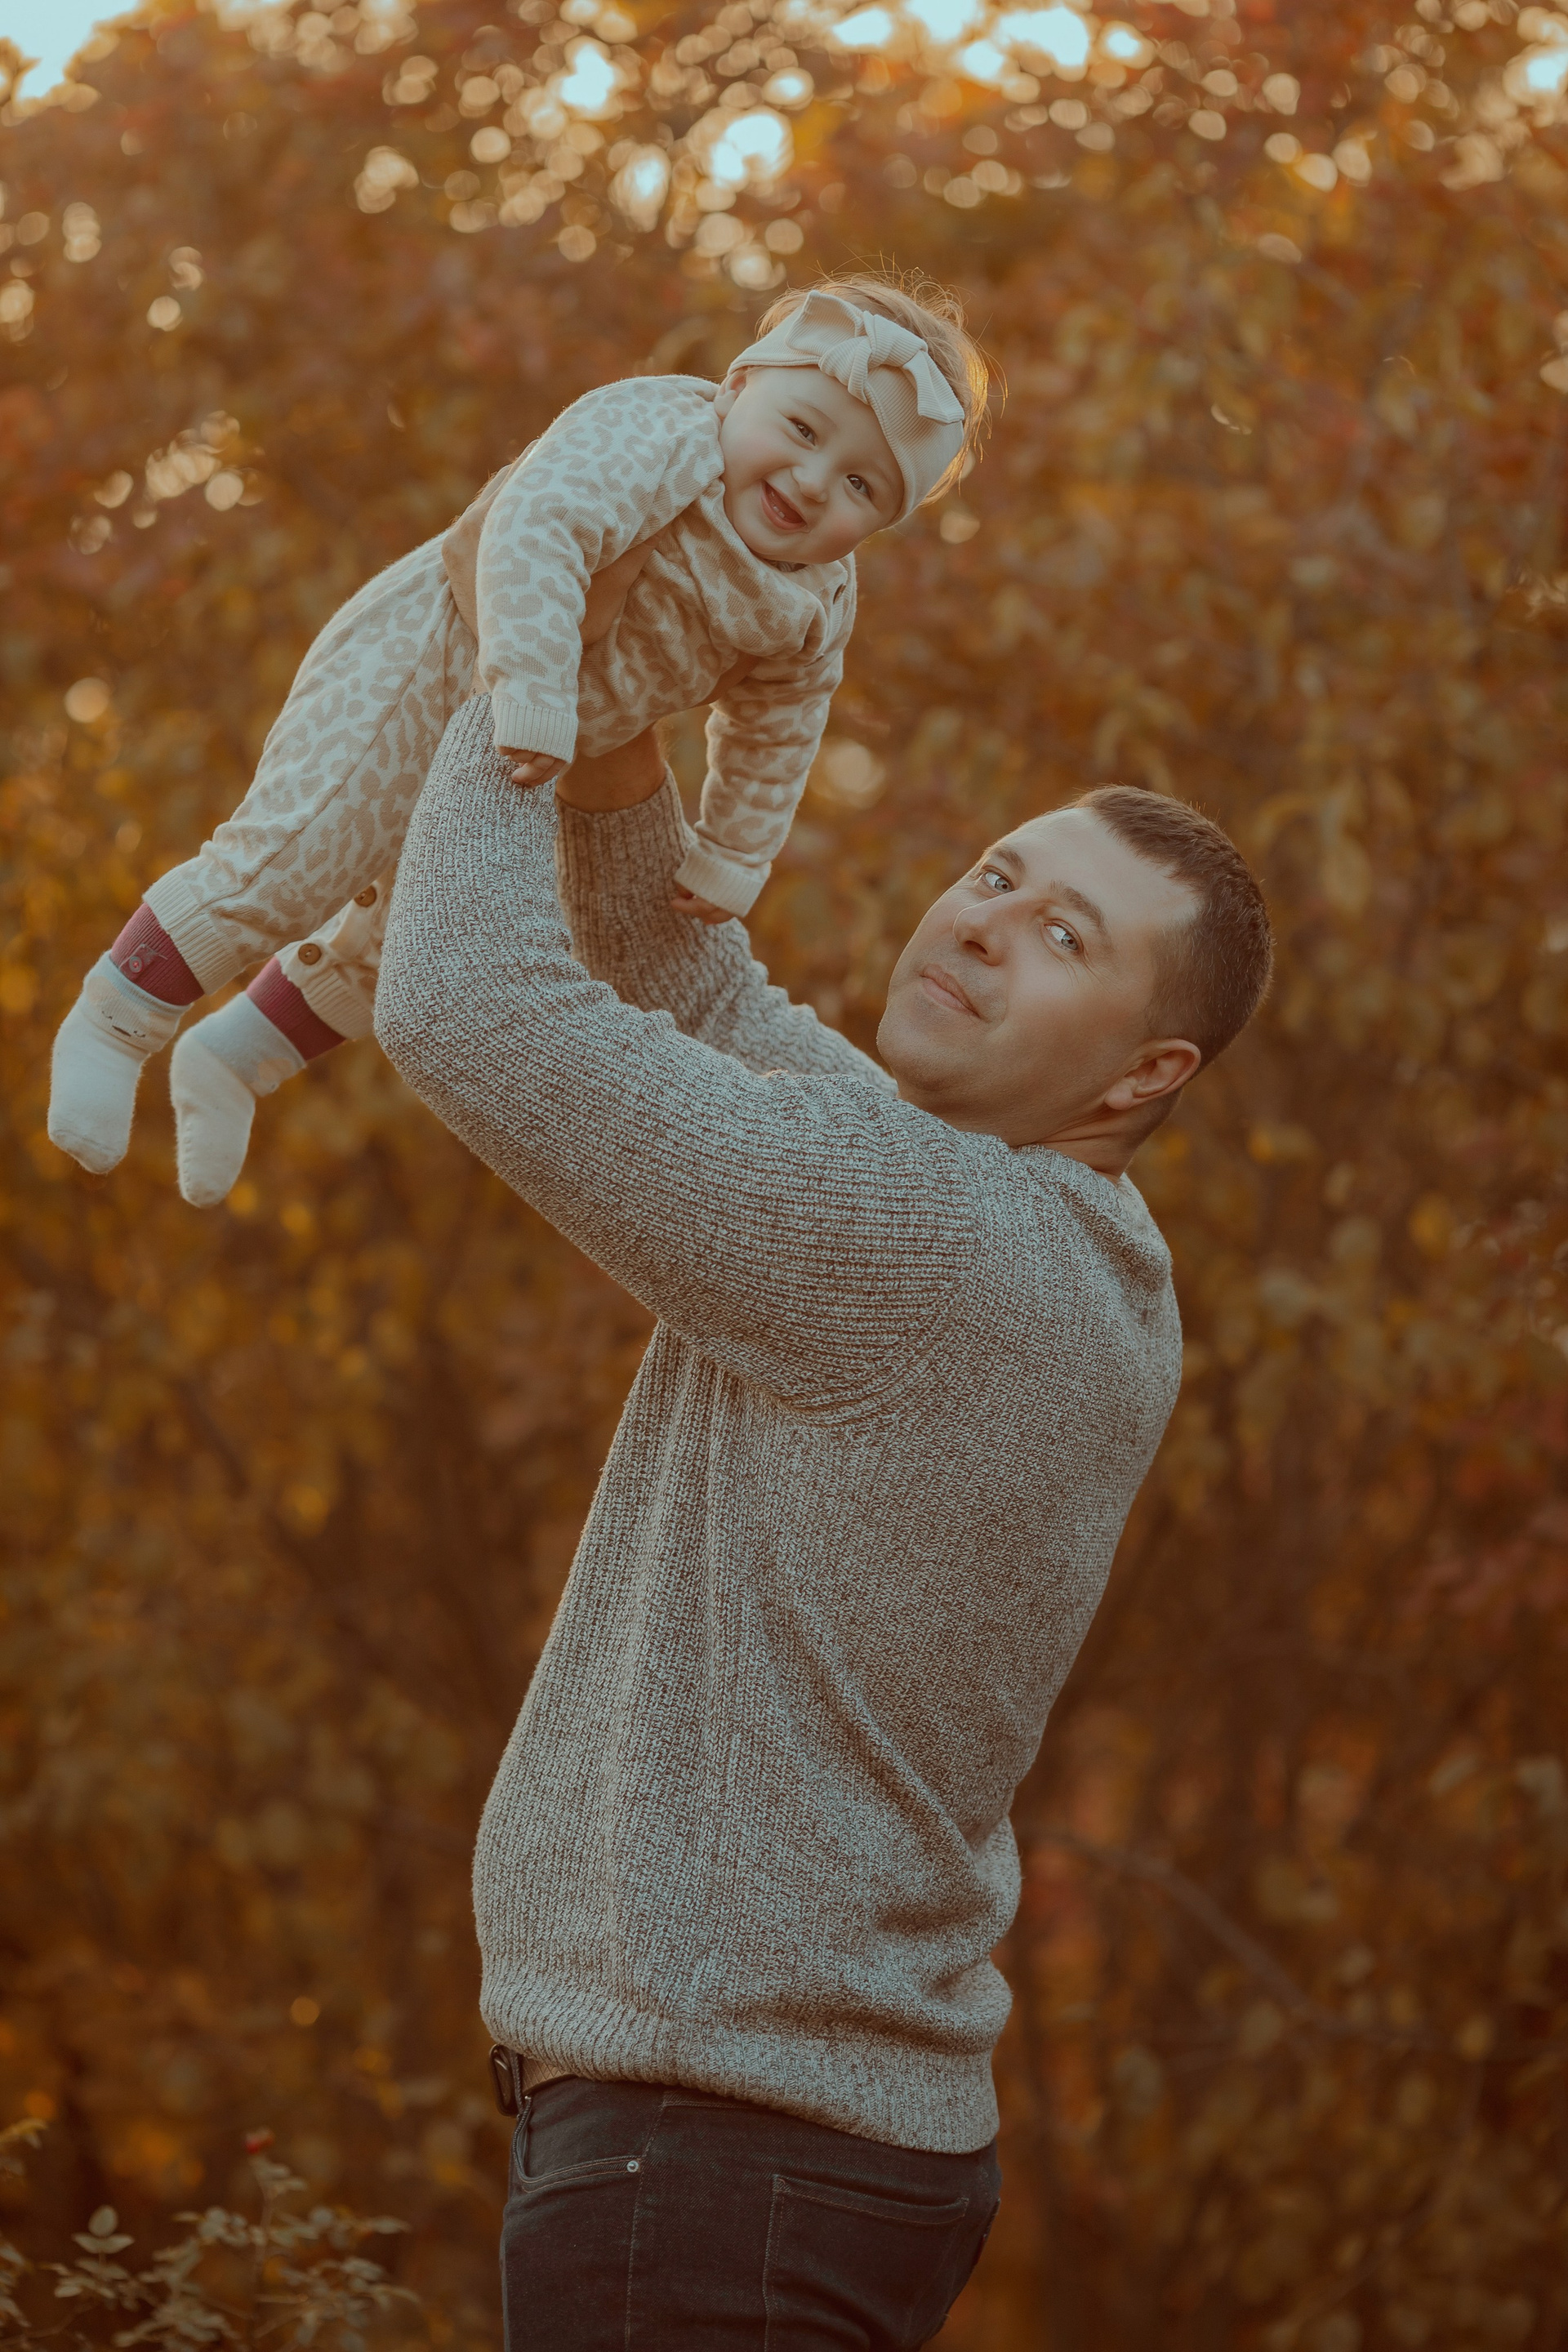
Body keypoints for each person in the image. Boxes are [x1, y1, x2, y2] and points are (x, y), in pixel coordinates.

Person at [371, 690, 1275, 2350]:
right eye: (998, 874)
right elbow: (699, 993)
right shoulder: (1069, 1243)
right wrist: (622, 754)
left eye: (1064, 935)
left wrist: (521, 662)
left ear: (1149, 1071)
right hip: (819, 2153)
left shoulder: (925, 1236)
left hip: (714, 2170)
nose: (986, 922)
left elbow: (459, 1003)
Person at [45, 274, 990, 1209]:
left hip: (540, 743)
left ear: (881, 524)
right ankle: (118, 1015)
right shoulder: (664, 434)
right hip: (439, 652)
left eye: (860, 484)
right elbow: (540, 523)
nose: (813, 483)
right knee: (305, 848)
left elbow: (781, 723)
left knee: (407, 936)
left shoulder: (818, 598)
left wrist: (735, 849)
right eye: (803, 430)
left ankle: (239, 1055)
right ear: (740, 385)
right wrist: (535, 684)